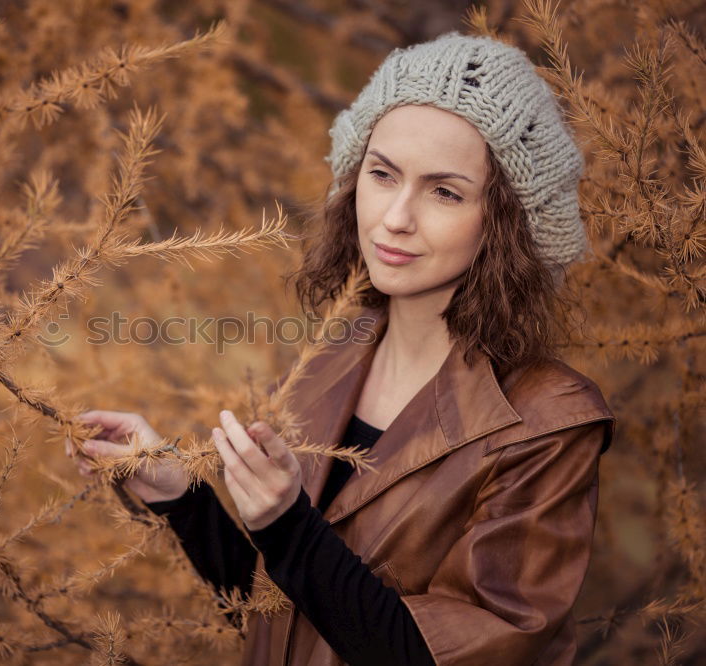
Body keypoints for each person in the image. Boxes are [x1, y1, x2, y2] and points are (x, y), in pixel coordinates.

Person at [65, 30, 616, 665]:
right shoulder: (329, 361)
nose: (395, 217)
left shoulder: (546, 423)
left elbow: (451, 653)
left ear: (509, 220)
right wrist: (178, 494)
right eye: (383, 175)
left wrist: (287, 525)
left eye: (445, 192)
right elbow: (281, 613)